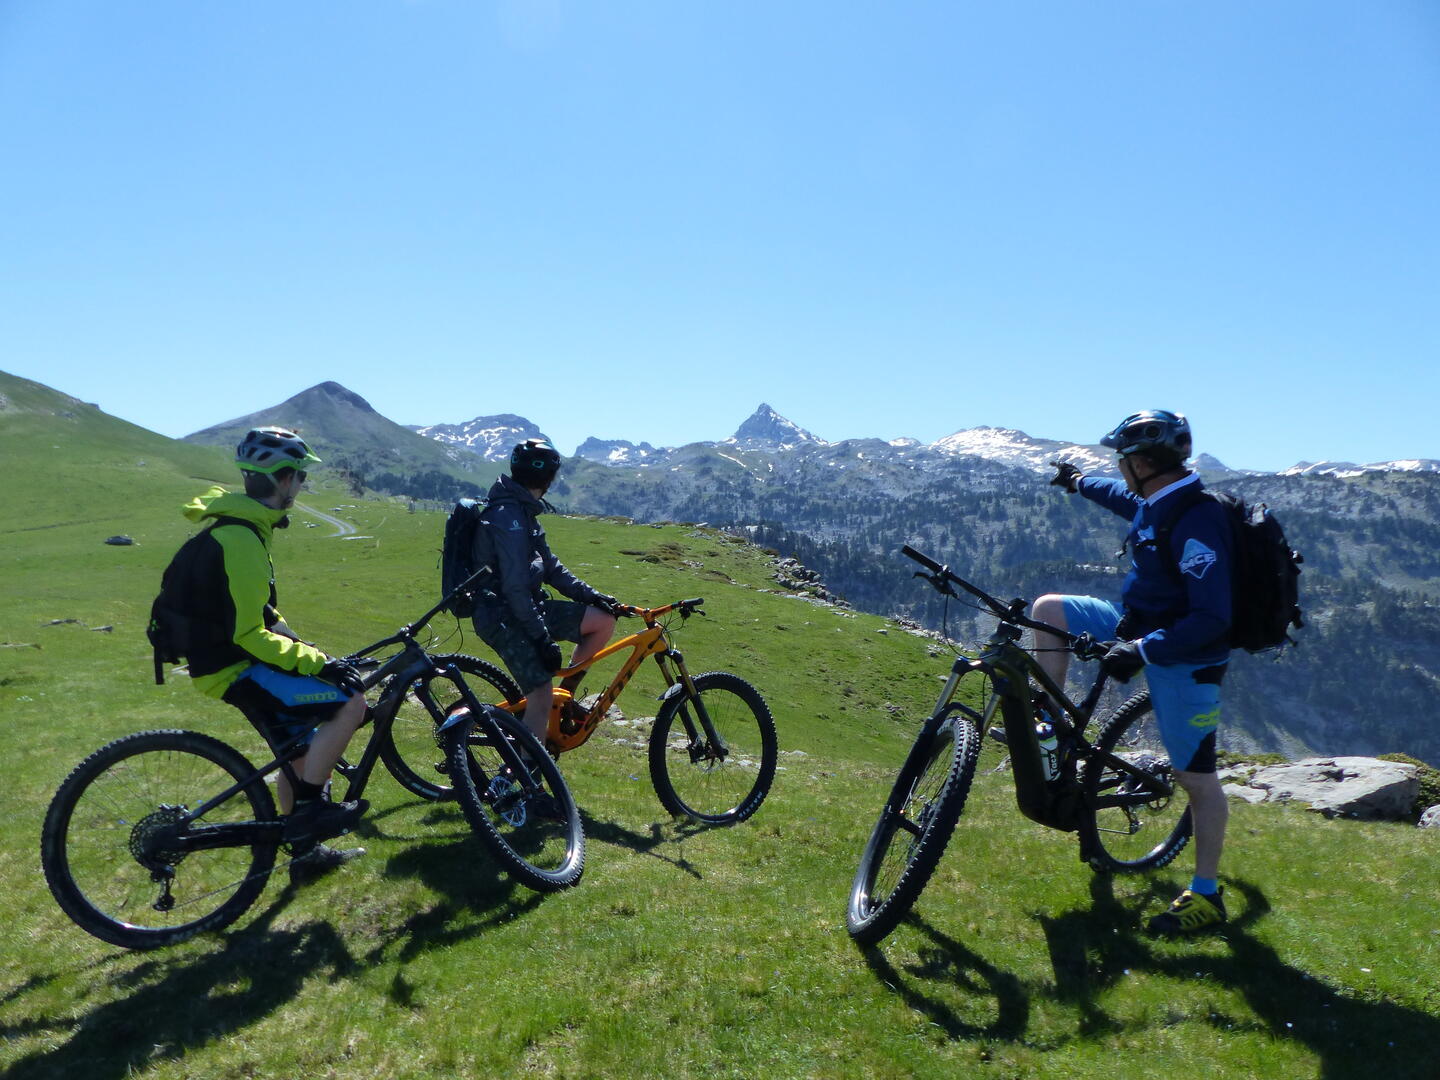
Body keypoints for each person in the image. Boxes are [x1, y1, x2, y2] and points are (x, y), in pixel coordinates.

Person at [1037, 410, 1234, 935]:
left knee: (1197, 778)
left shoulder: (1199, 522)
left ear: (1144, 462)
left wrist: (1143, 652)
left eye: (1123, 460)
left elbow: (1213, 618)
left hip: (1186, 658)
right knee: (1049, 610)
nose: (1119, 468)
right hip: (1135, 629)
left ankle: (1207, 895)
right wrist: (1079, 483)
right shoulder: (1157, 499)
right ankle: (1051, 726)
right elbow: (1124, 499)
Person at [177, 427, 370, 883]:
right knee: (351, 705)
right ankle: (309, 812)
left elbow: (261, 613)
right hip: (232, 666)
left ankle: (305, 857)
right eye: (300, 478)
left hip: (228, 658)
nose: (301, 488)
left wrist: (307, 650)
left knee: (300, 752)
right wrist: (317, 664)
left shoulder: (243, 529)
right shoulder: (240, 538)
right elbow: (248, 634)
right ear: (283, 481)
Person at [470, 439, 628, 747]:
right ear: (547, 477)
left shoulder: (523, 512)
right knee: (540, 694)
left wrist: (593, 597)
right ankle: (522, 778)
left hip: (526, 609)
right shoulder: (509, 517)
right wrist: (541, 638)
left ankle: (564, 702)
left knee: (602, 621)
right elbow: (514, 587)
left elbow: (552, 569)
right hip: (501, 616)